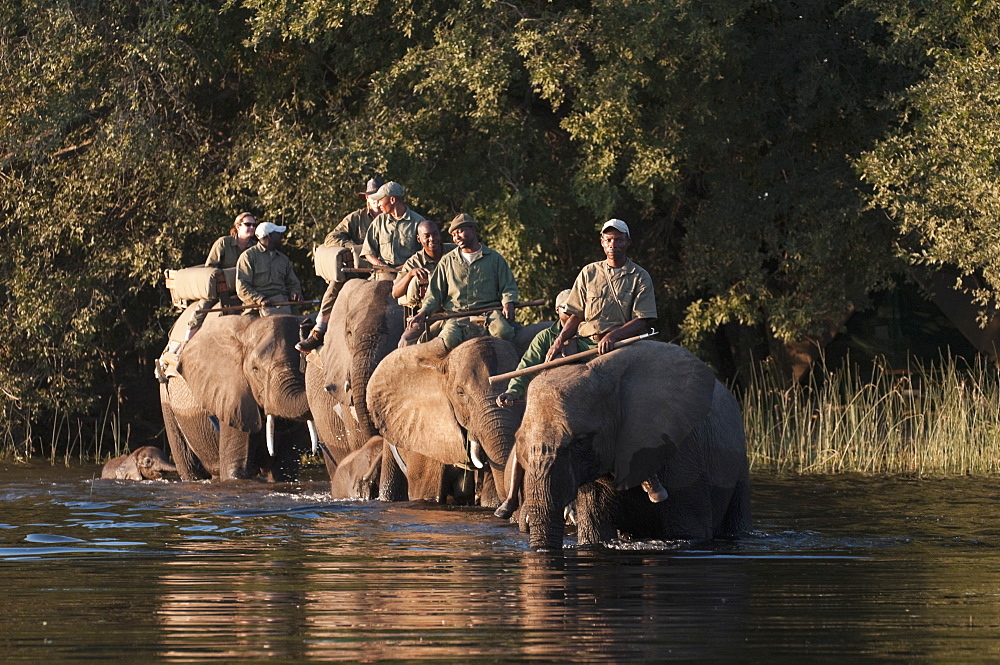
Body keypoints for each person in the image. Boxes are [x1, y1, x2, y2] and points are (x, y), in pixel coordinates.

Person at [495, 219, 666, 519]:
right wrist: (562, 339)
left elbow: (644, 320)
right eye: (607, 240)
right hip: (586, 346)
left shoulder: (640, 276)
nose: (612, 244)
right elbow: (574, 314)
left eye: (618, 239)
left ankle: (647, 473)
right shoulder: (589, 273)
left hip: (622, 349)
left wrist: (614, 336)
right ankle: (517, 495)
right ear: (602, 243)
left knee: (632, 405)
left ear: (627, 242)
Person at [297, 177, 384, 352]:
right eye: (372, 196)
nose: (375, 199)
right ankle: (319, 330)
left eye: (379, 195)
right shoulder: (356, 218)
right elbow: (332, 238)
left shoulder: (393, 216)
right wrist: (353, 248)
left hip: (388, 268)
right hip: (359, 270)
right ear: (367, 198)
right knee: (336, 283)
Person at [408, 213, 518, 351]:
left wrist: (508, 302)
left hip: (489, 314)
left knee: (505, 333)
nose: (456, 237)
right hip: (456, 316)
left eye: (460, 231)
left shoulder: (494, 259)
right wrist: (423, 312)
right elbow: (434, 294)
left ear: (473, 229)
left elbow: (508, 286)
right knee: (448, 340)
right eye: (454, 234)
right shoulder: (447, 261)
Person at [185, 212, 258, 340]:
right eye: (248, 224)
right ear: (238, 226)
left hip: (245, 287)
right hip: (220, 287)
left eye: (253, 225)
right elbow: (210, 267)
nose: (252, 228)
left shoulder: (254, 248)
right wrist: (225, 278)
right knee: (202, 309)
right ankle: (186, 341)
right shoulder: (224, 243)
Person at [236, 221, 303, 315]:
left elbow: (293, 282)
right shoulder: (248, 256)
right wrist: (260, 299)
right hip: (257, 307)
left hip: (283, 303)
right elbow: (242, 286)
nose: (280, 236)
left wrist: (295, 292)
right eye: (278, 234)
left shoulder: (283, 259)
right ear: (270, 236)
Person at [360, 181, 426, 272]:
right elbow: (368, 252)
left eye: (380, 200)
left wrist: (405, 267)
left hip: (409, 272)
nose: (378, 204)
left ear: (392, 200)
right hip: (383, 273)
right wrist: (383, 267)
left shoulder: (419, 222)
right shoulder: (379, 221)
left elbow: (425, 253)